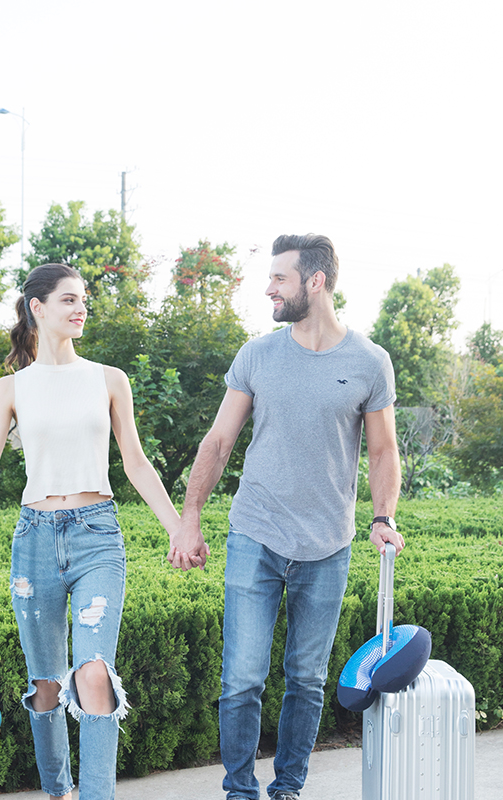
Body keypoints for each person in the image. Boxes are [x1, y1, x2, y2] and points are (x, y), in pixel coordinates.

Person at [168, 234, 405, 800]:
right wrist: (190, 517)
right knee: (241, 679)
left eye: (279, 277)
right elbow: (219, 440)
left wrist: (383, 516)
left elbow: (383, 450)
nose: (269, 287)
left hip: (328, 544)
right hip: (255, 534)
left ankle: (289, 788)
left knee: (306, 678)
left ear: (315, 282)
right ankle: (240, 791)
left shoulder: (370, 362)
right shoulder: (258, 354)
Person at [0, 263, 180, 800]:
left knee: (93, 671)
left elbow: (137, 463)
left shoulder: (108, 378)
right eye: (69, 300)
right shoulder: (10, 389)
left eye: (84, 301)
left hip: (97, 533)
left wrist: (176, 528)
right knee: (46, 685)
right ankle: (59, 792)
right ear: (38, 307)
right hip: (34, 538)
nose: (81, 309)